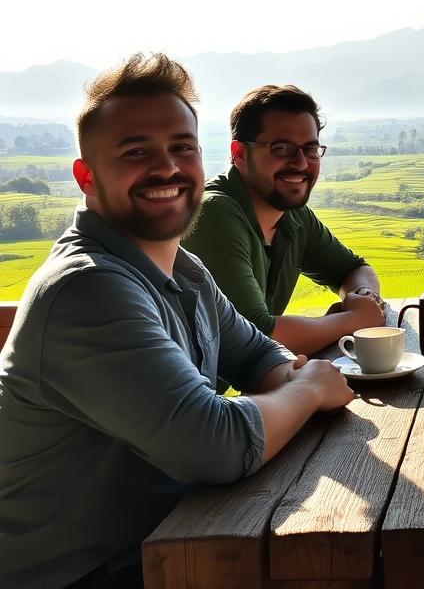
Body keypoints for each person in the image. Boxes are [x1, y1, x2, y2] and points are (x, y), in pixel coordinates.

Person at [0, 55, 354, 589]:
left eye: (181, 148)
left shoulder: (181, 267)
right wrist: (307, 390)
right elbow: (216, 445)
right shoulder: (88, 289)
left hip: (167, 539)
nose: (166, 168)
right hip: (82, 571)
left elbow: (257, 353)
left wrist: (284, 374)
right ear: (86, 176)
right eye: (136, 151)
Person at [184, 85, 385, 356]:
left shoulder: (293, 216)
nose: (301, 163)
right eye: (281, 148)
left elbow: (353, 269)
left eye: (310, 149)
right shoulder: (214, 215)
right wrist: (355, 320)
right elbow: (256, 338)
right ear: (240, 154)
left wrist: (364, 297)